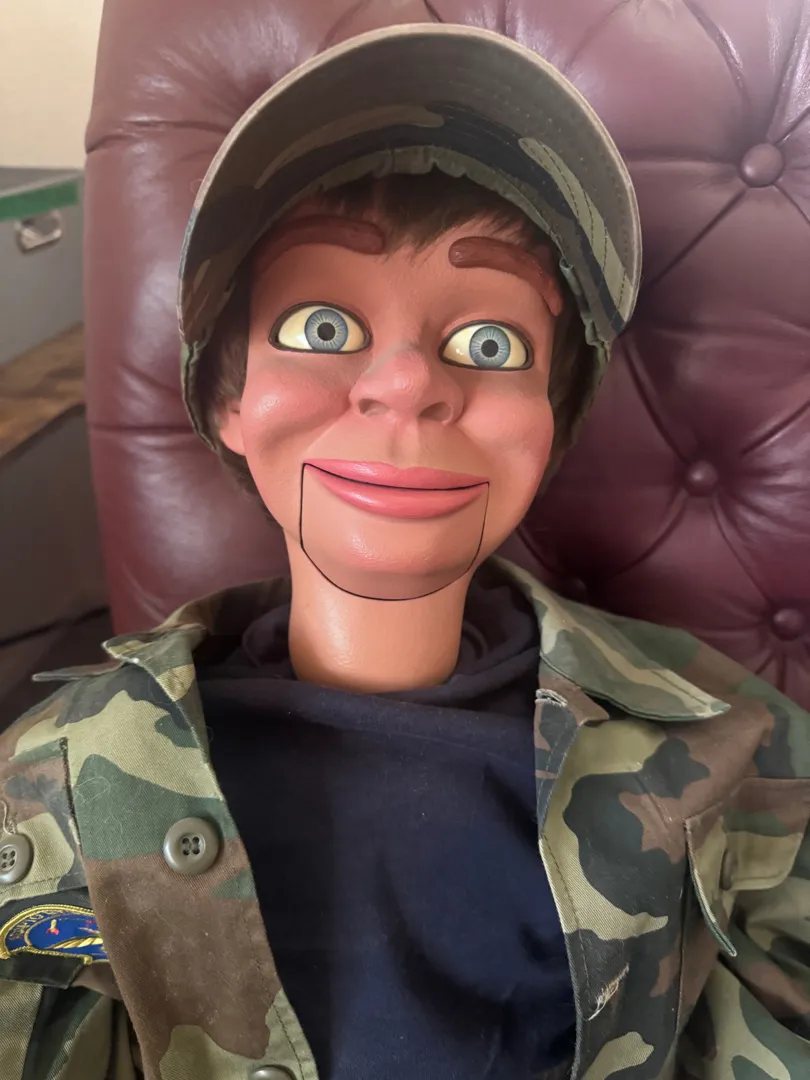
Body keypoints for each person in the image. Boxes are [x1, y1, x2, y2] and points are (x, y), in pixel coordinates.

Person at [1, 23, 809, 1080]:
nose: (409, 385)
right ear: (229, 400)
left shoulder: (740, 743)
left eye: (490, 344)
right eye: (323, 328)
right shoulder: (48, 781)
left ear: (549, 425)